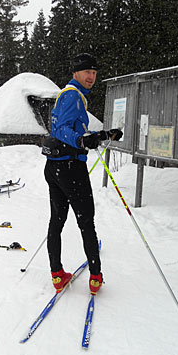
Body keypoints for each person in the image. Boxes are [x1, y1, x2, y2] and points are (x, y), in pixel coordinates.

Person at [42, 53, 122, 295]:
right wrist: (79, 140)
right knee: (86, 222)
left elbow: (75, 130)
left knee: (57, 221)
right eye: (87, 72)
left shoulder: (69, 95)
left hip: (55, 166)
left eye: (95, 73)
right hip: (70, 168)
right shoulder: (72, 96)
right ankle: (96, 277)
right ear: (75, 73)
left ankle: (57, 275)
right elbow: (64, 130)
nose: (91, 77)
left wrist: (104, 135)